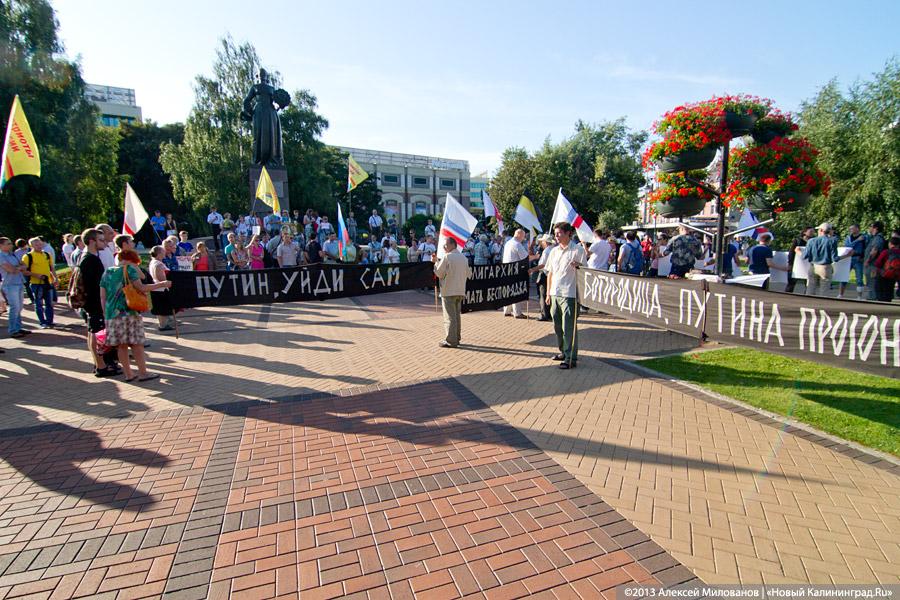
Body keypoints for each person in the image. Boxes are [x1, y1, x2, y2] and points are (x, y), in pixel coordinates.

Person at [100, 249, 171, 382]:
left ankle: (128, 374)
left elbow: (103, 296)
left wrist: (105, 313)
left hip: (111, 313)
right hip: (128, 311)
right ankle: (143, 373)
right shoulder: (129, 270)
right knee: (136, 344)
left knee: (121, 346)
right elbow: (142, 287)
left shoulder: (107, 272)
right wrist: (162, 284)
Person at [544, 222, 586, 369]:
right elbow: (550, 273)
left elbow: (585, 272)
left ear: (568, 233)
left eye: (559, 233)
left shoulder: (578, 250)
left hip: (570, 294)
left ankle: (570, 358)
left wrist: (579, 267)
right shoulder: (554, 251)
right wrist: (548, 293)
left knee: (569, 327)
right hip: (555, 293)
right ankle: (563, 351)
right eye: (555, 233)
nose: (556, 236)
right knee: (557, 326)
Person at [432, 237, 471, 348]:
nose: (444, 247)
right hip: (460, 290)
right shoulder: (464, 258)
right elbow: (469, 274)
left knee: (449, 317)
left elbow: (439, 273)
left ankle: (451, 340)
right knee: (456, 316)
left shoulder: (447, 257)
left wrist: (435, 263)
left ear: (453, 245)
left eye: (446, 245)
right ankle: (456, 338)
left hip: (448, 290)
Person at [802, 222, 847, 297]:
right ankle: (821, 307)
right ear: (829, 231)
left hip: (813, 266)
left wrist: (799, 252)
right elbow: (835, 258)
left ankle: (808, 306)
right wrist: (846, 255)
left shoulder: (811, 241)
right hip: (825, 267)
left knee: (810, 288)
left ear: (821, 230)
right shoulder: (832, 241)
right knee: (824, 291)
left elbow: (805, 256)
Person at [0, 237, 29, 339]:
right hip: (10, 284)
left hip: (19, 282)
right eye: (8, 244)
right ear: (1, 245)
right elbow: (11, 270)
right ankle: (13, 330)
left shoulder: (12, 254)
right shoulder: (1, 256)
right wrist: (19, 268)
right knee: (14, 307)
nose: (10, 245)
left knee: (19, 307)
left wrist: (19, 268)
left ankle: (18, 327)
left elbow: (24, 265)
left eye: (10, 243)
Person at [25, 237, 56, 328]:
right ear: (31, 246)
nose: (39, 246)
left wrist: (55, 278)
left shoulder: (47, 254)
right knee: (39, 304)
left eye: (40, 244)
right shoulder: (28, 256)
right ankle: (42, 322)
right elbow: (24, 271)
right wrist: (36, 275)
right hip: (36, 283)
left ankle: (49, 321)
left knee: (49, 303)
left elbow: (51, 268)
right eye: (36, 244)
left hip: (47, 283)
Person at [503, 229, 530, 318]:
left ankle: (506, 310)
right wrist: (536, 256)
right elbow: (525, 257)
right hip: (514, 270)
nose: (524, 238)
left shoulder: (508, 243)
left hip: (506, 269)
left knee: (508, 290)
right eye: (523, 236)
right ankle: (517, 313)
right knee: (516, 290)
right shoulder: (517, 244)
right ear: (519, 235)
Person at [148, 246, 175, 331]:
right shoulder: (158, 264)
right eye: (163, 252)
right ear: (159, 253)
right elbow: (160, 277)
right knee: (162, 308)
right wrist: (168, 281)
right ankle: (163, 325)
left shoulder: (155, 262)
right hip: (160, 289)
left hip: (158, 288)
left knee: (162, 308)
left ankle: (163, 324)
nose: (165, 253)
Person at [530, 234, 555, 322]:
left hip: (545, 274)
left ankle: (544, 314)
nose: (541, 243)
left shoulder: (547, 251)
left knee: (543, 294)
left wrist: (532, 269)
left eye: (542, 241)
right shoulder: (553, 249)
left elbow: (542, 264)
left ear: (545, 242)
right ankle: (549, 313)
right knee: (548, 295)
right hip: (550, 274)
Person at [839, 224, 867, 299]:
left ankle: (859, 296)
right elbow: (847, 246)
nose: (850, 230)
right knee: (844, 276)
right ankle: (841, 294)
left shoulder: (864, 237)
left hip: (858, 258)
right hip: (849, 258)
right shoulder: (849, 237)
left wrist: (863, 257)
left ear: (857, 229)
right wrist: (857, 241)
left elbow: (866, 248)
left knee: (859, 277)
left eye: (852, 228)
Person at [787, 227, 815, 293]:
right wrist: (790, 263)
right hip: (796, 264)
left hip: (808, 264)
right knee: (791, 282)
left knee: (808, 284)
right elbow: (791, 252)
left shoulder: (813, 241)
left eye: (813, 232)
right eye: (810, 231)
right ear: (804, 232)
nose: (812, 233)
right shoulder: (797, 241)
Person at [873, 236, 900, 302]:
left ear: (890, 243)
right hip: (894, 276)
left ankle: (881, 310)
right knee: (888, 294)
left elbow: (878, 264)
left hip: (883, 275)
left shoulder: (886, 252)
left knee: (880, 295)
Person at [864, 222, 886, 300]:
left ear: (875, 228)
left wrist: (867, 261)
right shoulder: (874, 238)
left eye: (870, 226)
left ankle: (872, 300)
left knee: (872, 284)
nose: (869, 228)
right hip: (872, 265)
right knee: (870, 284)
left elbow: (874, 251)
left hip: (873, 266)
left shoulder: (878, 238)